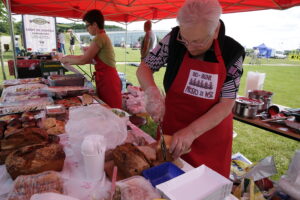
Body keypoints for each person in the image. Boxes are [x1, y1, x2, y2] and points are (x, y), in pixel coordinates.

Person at [136, 0, 245, 178]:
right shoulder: (173, 38)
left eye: (197, 42)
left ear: (215, 31)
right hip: (173, 129)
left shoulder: (232, 53)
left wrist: (192, 132)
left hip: (210, 137)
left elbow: (226, 104)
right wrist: (152, 93)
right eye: (185, 40)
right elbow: (144, 68)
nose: (189, 46)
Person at [60, 9, 122, 109]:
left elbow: (83, 60)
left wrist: (67, 59)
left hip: (108, 80)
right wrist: (69, 58)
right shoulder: (102, 36)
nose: (86, 29)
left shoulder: (99, 37)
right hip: (106, 78)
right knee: (106, 109)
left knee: (111, 110)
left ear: (94, 24)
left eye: (87, 25)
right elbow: (89, 59)